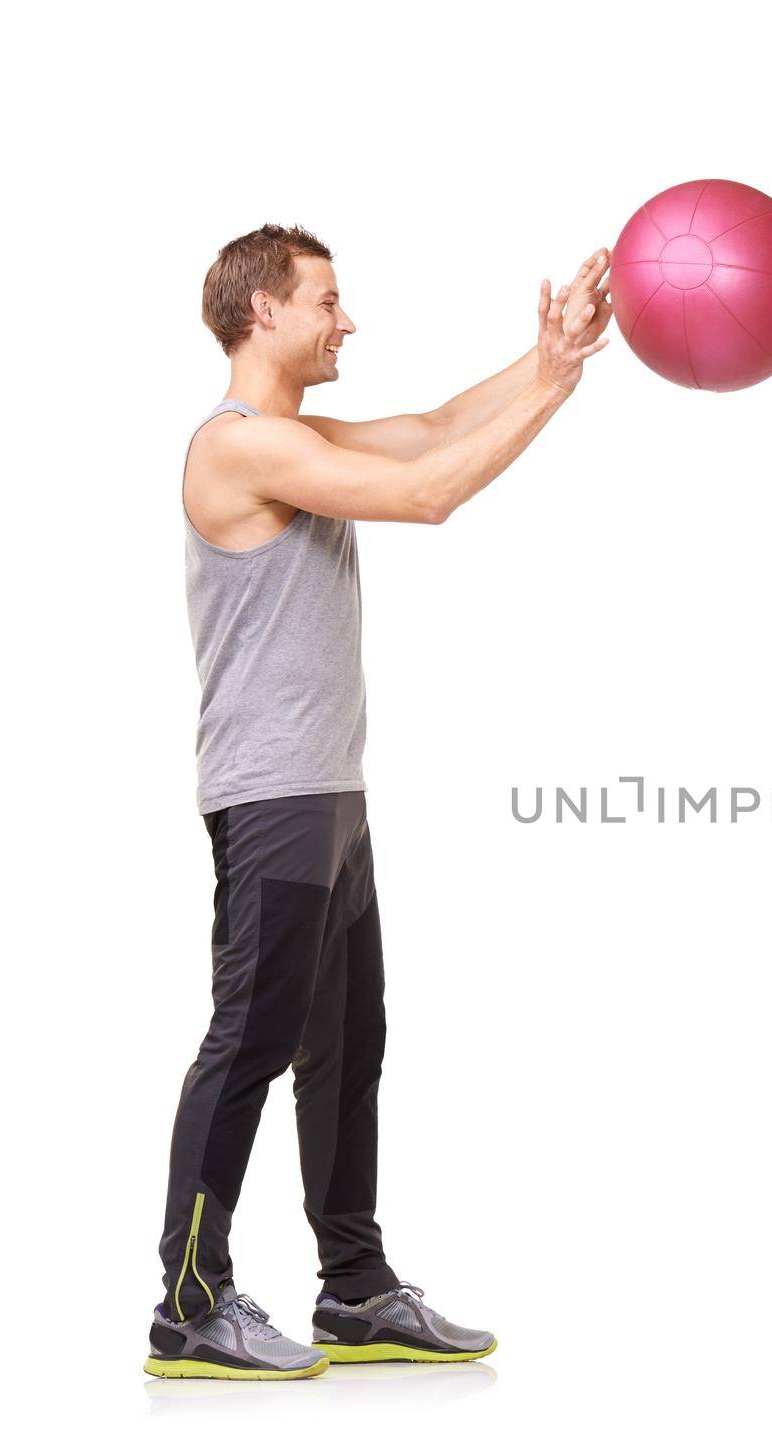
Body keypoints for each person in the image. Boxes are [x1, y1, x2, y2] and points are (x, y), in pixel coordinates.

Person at [146, 223, 611, 1380]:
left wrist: (543, 354)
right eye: (326, 300)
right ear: (264, 313)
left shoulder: (293, 435)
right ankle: (189, 1303)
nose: (345, 320)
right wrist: (554, 389)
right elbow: (424, 491)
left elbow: (428, 430)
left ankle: (353, 1288)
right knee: (248, 1042)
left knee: (350, 1048)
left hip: (335, 794)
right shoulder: (236, 447)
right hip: (273, 799)